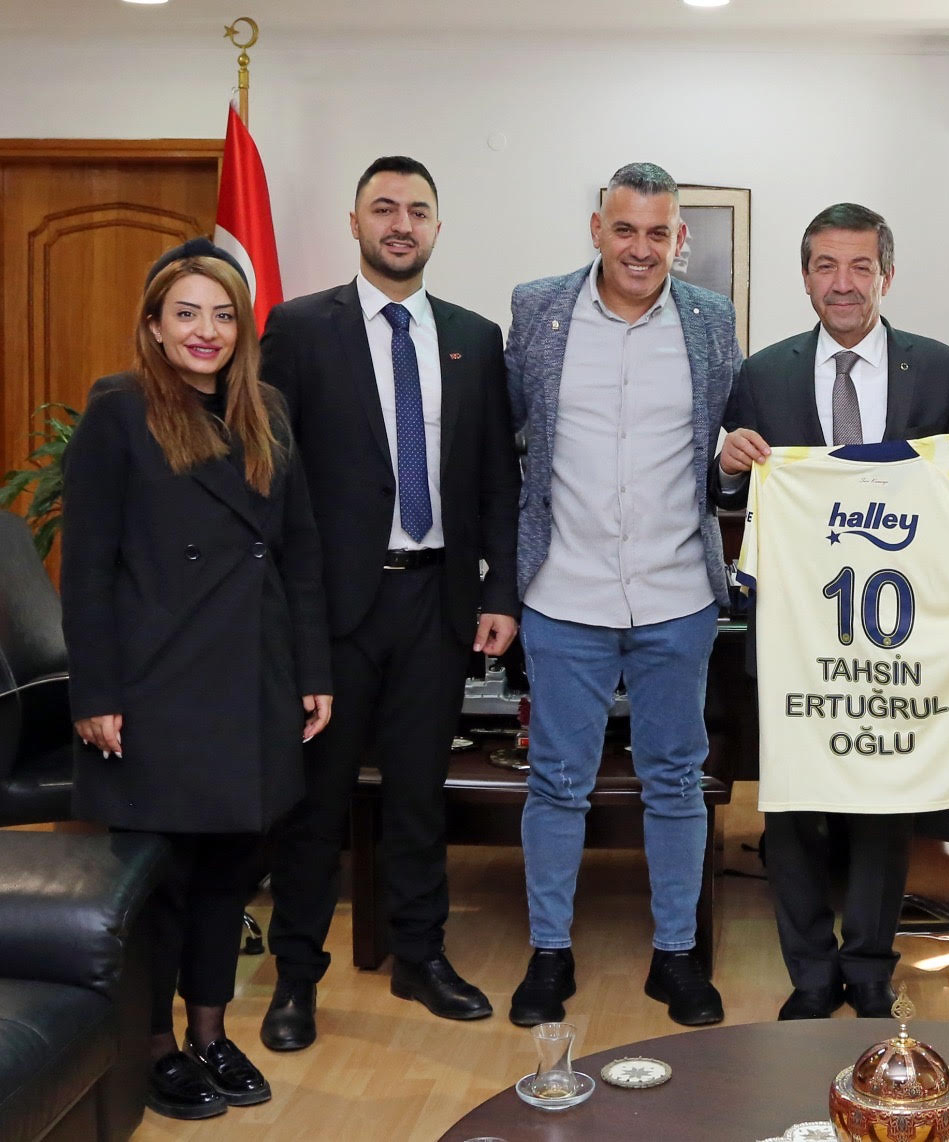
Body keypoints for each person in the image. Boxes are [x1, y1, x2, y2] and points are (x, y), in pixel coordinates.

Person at [61, 240, 332, 1120]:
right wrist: (96, 693)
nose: (206, 331)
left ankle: (211, 1033)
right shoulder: (120, 409)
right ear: (154, 326)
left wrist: (312, 669)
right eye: (186, 314)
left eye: (222, 314)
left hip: (254, 675)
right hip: (156, 682)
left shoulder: (268, 410)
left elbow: (298, 552)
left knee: (229, 872)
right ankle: (155, 1047)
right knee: (165, 883)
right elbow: (87, 566)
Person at [259, 156, 520, 1049]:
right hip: (331, 611)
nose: (400, 223)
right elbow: (272, 478)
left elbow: (497, 478)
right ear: (355, 223)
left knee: (418, 797)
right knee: (315, 807)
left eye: (416, 210)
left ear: (437, 227)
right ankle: (296, 979)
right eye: (383, 208)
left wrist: (499, 588)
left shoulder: (475, 337)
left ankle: (420, 957)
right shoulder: (299, 329)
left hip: (436, 603)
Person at [718, 202, 949, 1021]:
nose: (843, 284)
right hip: (795, 629)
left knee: (884, 802)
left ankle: (871, 967)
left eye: (860, 267)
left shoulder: (938, 370)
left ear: (887, 275)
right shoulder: (762, 374)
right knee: (793, 806)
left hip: (895, 632)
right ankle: (810, 972)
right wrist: (728, 466)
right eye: (826, 267)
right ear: (805, 277)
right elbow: (726, 499)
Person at [504, 162, 741, 1028]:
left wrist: (732, 471)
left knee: (675, 781)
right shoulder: (538, 308)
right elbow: (510, 435)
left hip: (677, 593)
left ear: (679, 239)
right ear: (597, 229)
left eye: (658, 232)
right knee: (557, 782)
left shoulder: (711, 319)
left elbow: (723, 447)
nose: (641, 248)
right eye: (625, 229)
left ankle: (675, 956)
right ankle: (549, 954)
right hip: (564, 591)